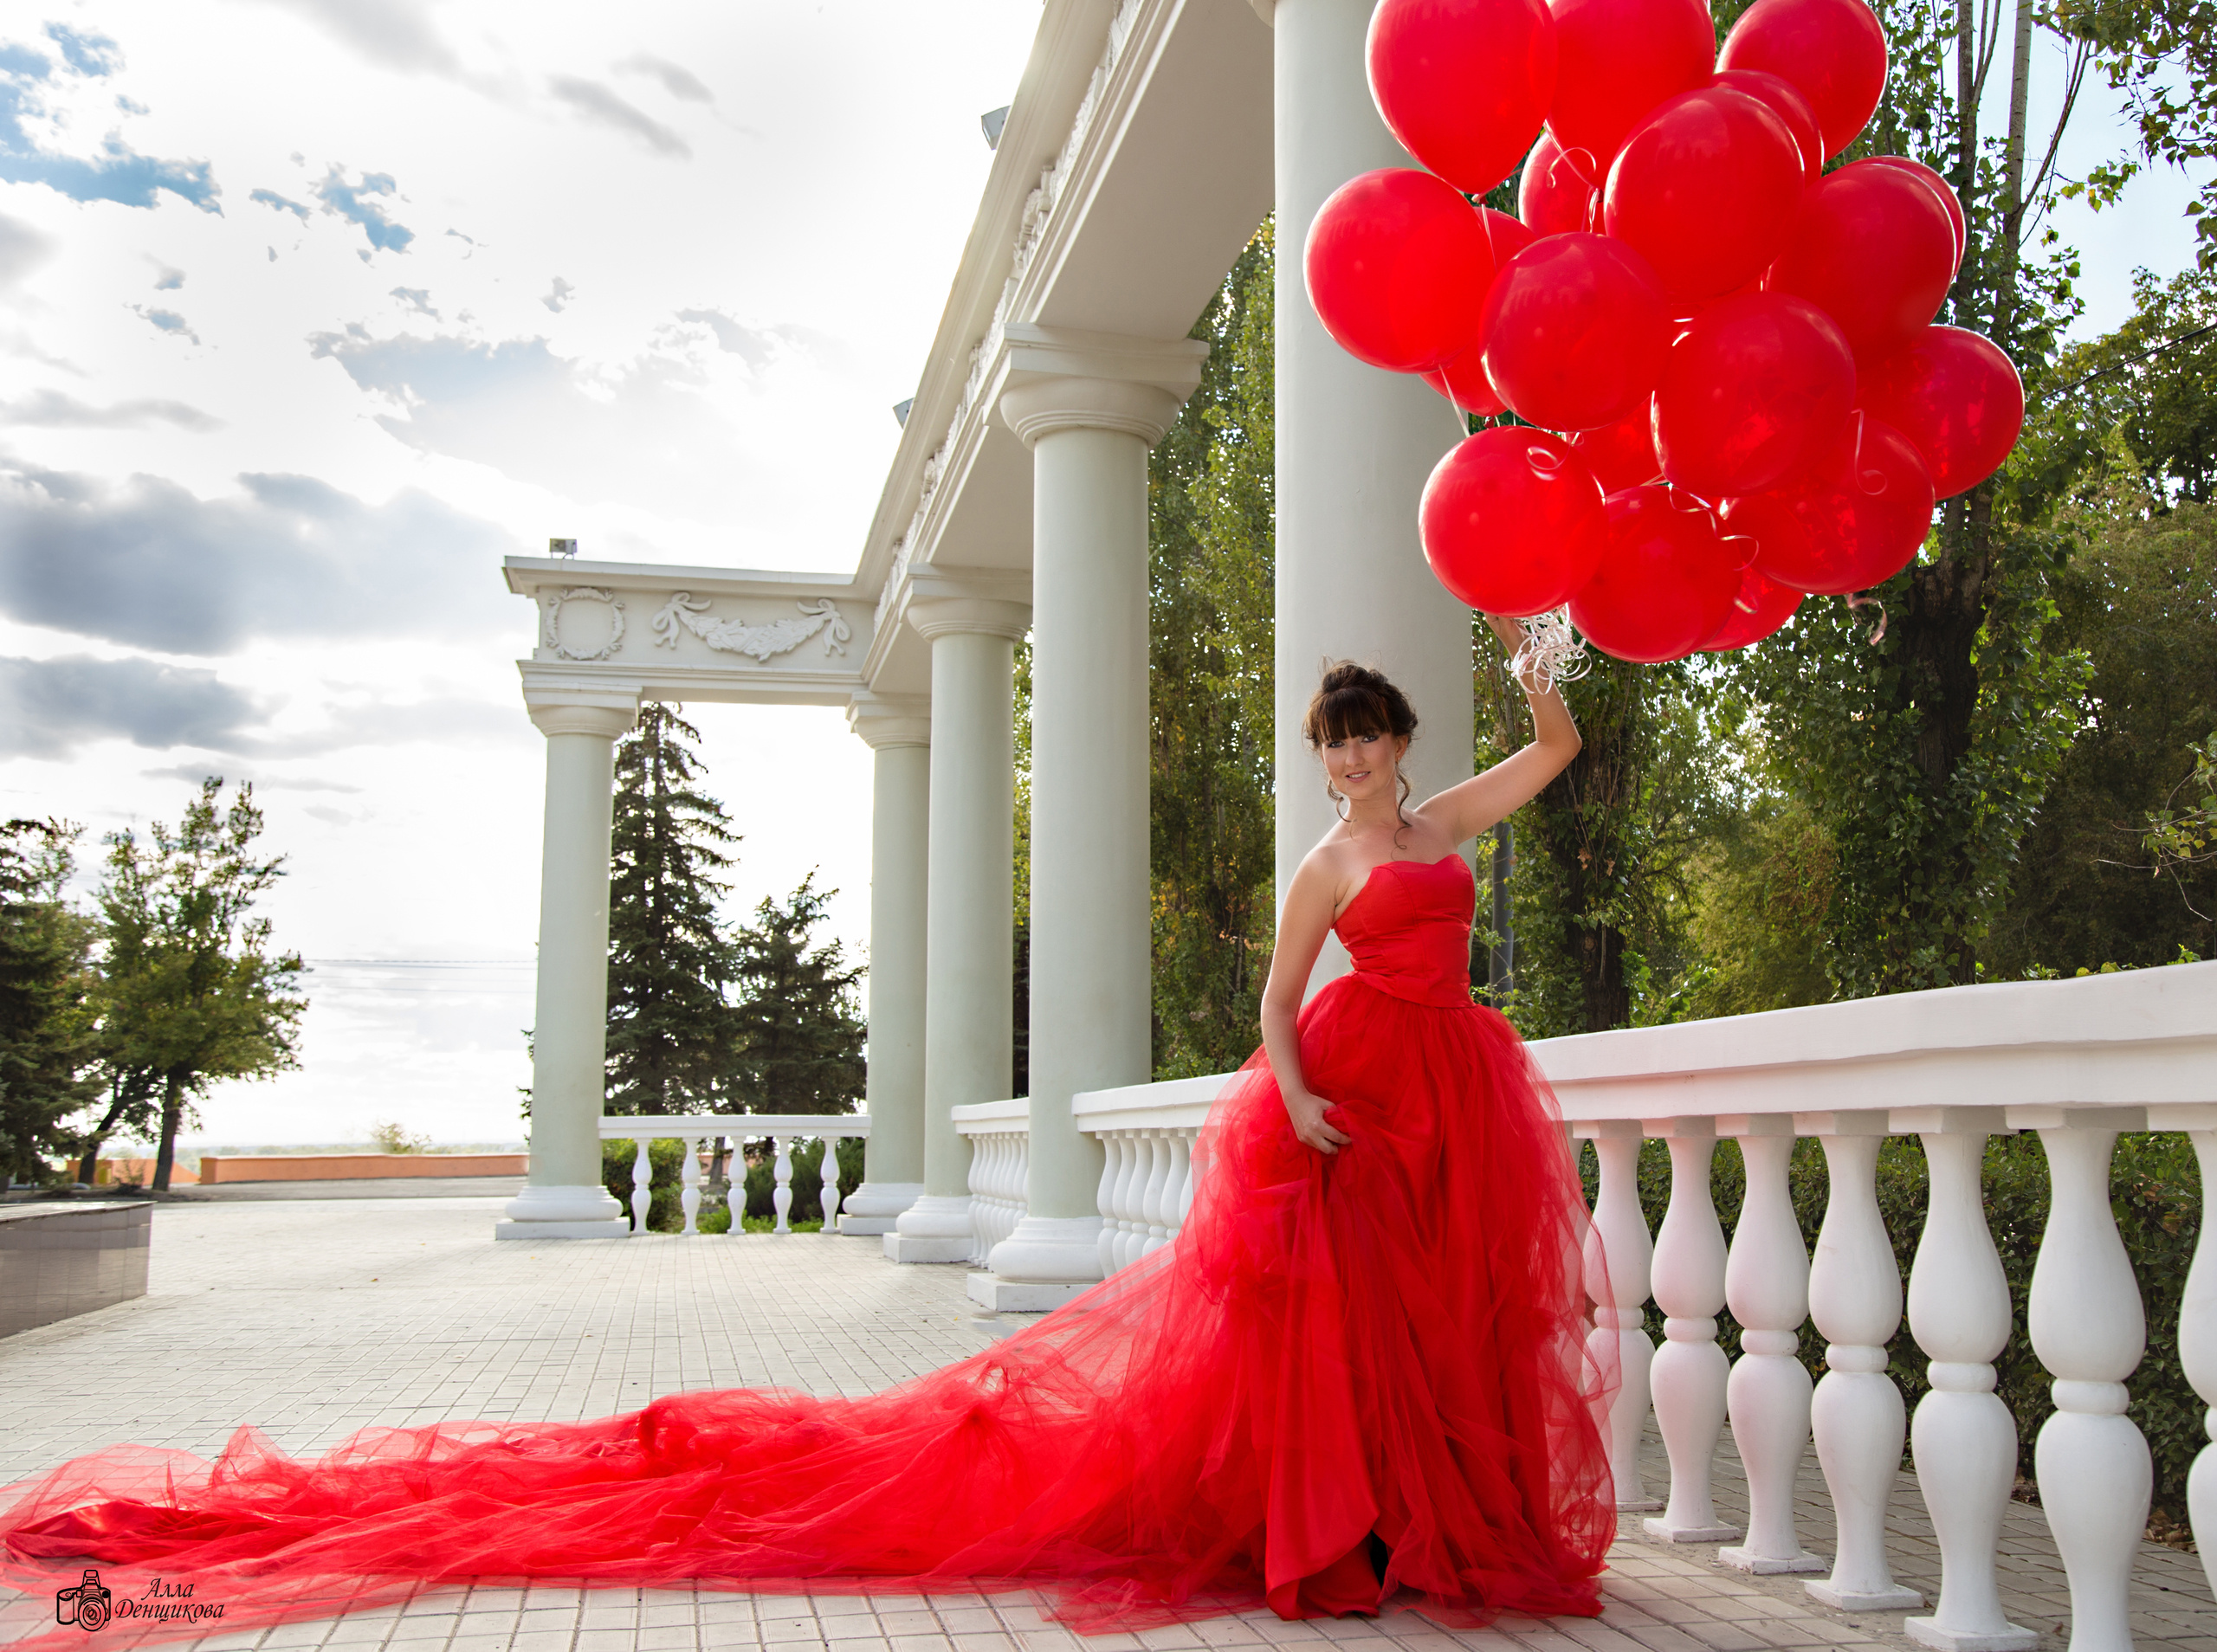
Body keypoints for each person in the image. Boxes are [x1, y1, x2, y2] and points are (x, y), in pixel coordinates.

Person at [0, 633, 1608, 1649]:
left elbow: (1548, 764)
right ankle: (1343, 1534)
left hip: (1451, 1090)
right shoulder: (1328, 860)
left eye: (1367, 737)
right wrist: (1303, 1093)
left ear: (1400, 739)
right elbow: (1271, 999)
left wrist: (1543, 691)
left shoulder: (1440, 822)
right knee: (1335, 1327)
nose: (1352, 760)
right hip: (1345, 1092)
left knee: (1437, 1320)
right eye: (1332, 743)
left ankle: (1425, 1525)